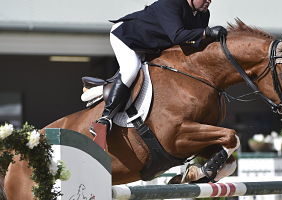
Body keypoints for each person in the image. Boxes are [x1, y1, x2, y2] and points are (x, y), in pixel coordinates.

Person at [90, 0, 228, 137]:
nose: (208, 1)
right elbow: (177, 36)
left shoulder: (203, 14)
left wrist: (213, 40)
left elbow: (194, 43)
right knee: (131, 70)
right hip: (128, 37)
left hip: (152, 45)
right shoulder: (171, 3)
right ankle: (104, 119)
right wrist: (207, 32)